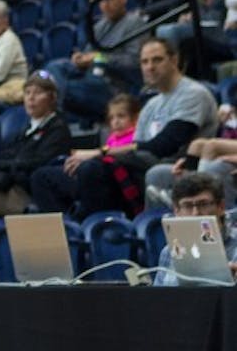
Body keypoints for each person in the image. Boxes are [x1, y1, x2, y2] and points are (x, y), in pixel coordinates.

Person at [52, 39, 217, 218]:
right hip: (142, 166)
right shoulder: (151, 104)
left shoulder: (193, 93)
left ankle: (105, 227)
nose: (150, 67)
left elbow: (165, 145)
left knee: (93, 168)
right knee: (47, 176)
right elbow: (137, 148)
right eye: (144, 62)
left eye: (157, 60)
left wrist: (99, 152)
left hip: (176, 166)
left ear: (174, 60)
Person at [153, 173, 237, 284]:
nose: (195, 213)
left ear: (221, 206)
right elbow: (158, 293)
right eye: (187, 206)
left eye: (203, 204)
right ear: (176, 211)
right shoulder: (169, 251)